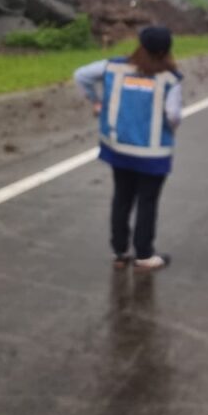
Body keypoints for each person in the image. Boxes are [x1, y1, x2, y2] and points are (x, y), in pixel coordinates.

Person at [74, 26, 182, 271]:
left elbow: (81, 75)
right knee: (147, 202)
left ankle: (120, 252)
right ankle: (144, 254)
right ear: (166, 50)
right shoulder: (169, 79)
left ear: (140, 45)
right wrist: (171, 128)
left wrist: (96, 101)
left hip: (119, 148)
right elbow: (173, 115)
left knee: (122, 198)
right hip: (153, 154)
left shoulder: (113, 67)